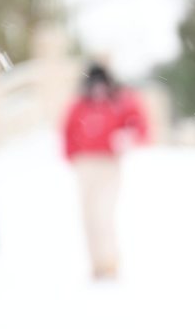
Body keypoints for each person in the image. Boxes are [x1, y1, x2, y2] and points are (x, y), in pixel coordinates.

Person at [63, 63, 149, 280]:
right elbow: (67, 131)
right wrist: (72, 156)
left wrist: (127, 136)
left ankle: (110, 261)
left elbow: (139, 124)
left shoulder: (120, 101)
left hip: (109, 164)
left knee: (103, 213)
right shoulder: (79, 106)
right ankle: (96, 263)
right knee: (88, 216)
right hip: (85, 165)